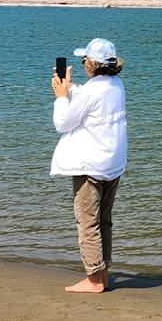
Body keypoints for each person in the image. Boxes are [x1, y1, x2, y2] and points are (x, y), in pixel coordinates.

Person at [50, 37, 127, 293]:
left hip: (90, 164)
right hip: (112, 163)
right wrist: (71, 89)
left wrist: (61, 96)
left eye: (85, 60)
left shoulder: (95, 90)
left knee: (87, 222)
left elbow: (62, 123)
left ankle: (95, 280)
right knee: (103, 220)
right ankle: (102, 273)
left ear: (91, 64)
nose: (83, 63)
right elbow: (91, 99)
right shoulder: (116, 84)